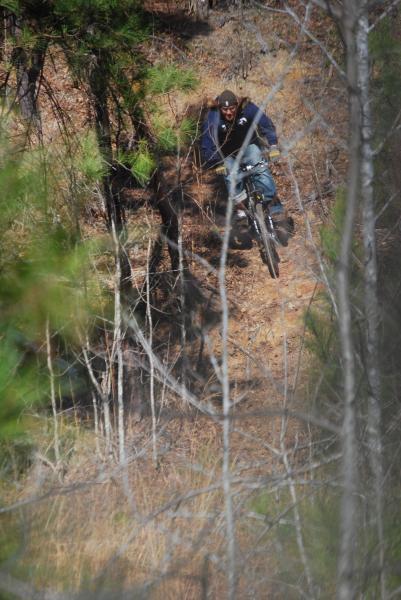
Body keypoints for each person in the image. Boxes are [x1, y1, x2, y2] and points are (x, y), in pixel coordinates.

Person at [200, 89, 293, 244]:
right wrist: (216, 163)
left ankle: (274, 209)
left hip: (249, 146)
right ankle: (242, 213)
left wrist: (273, 145)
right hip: (227, 154)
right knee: (231, 178)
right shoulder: (214, 115)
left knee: (261, 170)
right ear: (220, 107)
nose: (229, 113)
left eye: (232, 109)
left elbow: (265, 122)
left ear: (237, 105)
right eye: (225, 109)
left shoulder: (247, 107)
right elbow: (207, 142)